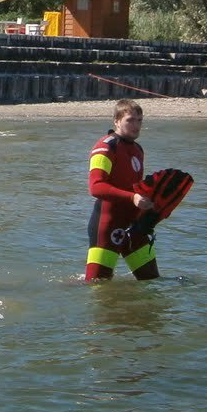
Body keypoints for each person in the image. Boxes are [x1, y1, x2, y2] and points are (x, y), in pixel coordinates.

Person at [85, 98, 160, 281]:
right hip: (107, 224)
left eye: (139, 120)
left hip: (134, 226)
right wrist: (133, 198)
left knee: (151, 283)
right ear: (117, 121)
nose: (136, 126)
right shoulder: (105, 147)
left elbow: (135, 187)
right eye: (130, 120)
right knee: (97, 286)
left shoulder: (138, 149)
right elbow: (96, 187)